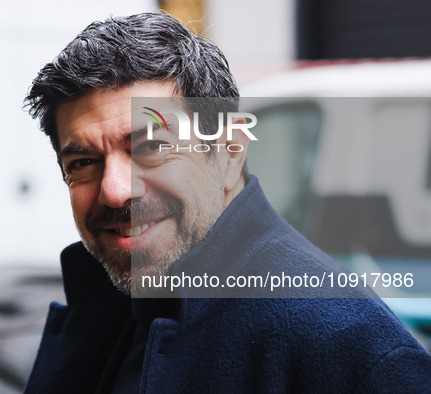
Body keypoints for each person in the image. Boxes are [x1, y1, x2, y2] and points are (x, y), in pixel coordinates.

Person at [22, 12, 431, 393]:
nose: (114, 189)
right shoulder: (111, 310)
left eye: (150, 146)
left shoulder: (340, 340)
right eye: (84, 162)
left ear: (230, 152)